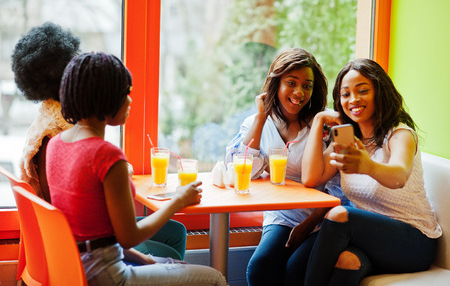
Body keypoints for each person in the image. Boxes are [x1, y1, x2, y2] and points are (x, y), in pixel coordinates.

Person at [46, 52, 227, 285]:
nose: (130, 101)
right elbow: (129, 237)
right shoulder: (106, 156)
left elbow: (95, 231)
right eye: (125, 93)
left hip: (74, 266)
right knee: (215, 278)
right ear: (106, 98)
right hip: (108, 276)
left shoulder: (56, 144)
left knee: (173, 264)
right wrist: (179, 201)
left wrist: (144, 258)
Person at [11, 22, 187, 261]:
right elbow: (72, 210)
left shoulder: (58, 119)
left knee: (175, 231)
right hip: (78, 241)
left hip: (84, 229)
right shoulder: (53, 135)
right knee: (167, 255)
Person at [301, 58, 442, 285]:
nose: (353, 99)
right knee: (348, 261)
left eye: (362, 91)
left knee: (339, 214)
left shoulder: (399, 134)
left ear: (380, 92)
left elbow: (399, 176)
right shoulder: (348, 137)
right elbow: (311, 177)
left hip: (414, 242)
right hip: (372, 239)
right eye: (345, 94)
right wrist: (319, 121)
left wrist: (367, 165)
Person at [225, 47, 350, 286]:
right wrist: (261, 118)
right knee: (260, 268)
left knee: (295, 270)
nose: (299, 92)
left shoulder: (324, 126)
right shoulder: (257, 123)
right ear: (276, 83)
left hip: (322, 218)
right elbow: (242, 171)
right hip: (282, 217)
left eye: (307, 86)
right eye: (291, 83)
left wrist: (309, 223)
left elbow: (340, 187)